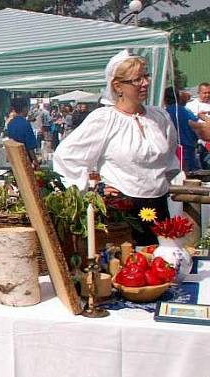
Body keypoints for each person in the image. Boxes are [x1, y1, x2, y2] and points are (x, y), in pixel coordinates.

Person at [53, 50, 179, 246]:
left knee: (163, 262)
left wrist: (156, 184)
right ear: (118, 86)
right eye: (137, 79)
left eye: (146, 76)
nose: (145, 83)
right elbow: (66, 156)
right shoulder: (105, 119)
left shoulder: (159, 117)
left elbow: (169, 159)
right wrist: (94, 189)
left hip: (159, 206)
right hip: (122, 211)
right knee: (126, 266)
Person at [164, 86, 199, 171]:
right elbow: (197, 131)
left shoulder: (164, 114)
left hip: (174, 155)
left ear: (164, 99)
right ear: (178, 98)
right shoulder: (188, 112)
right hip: (189, 153)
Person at [6, 97, 38, 165]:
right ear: (24, 108)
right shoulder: (26, 124)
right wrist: (36, 161)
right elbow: (30, 147)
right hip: (25, 158)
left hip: (14, 158)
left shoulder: (10, 123)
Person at [187, 82, 210, 168]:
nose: (207, 95)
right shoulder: (191, 106)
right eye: (205, 93)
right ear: (199, 93)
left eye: (209, 92)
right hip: (200, 143)